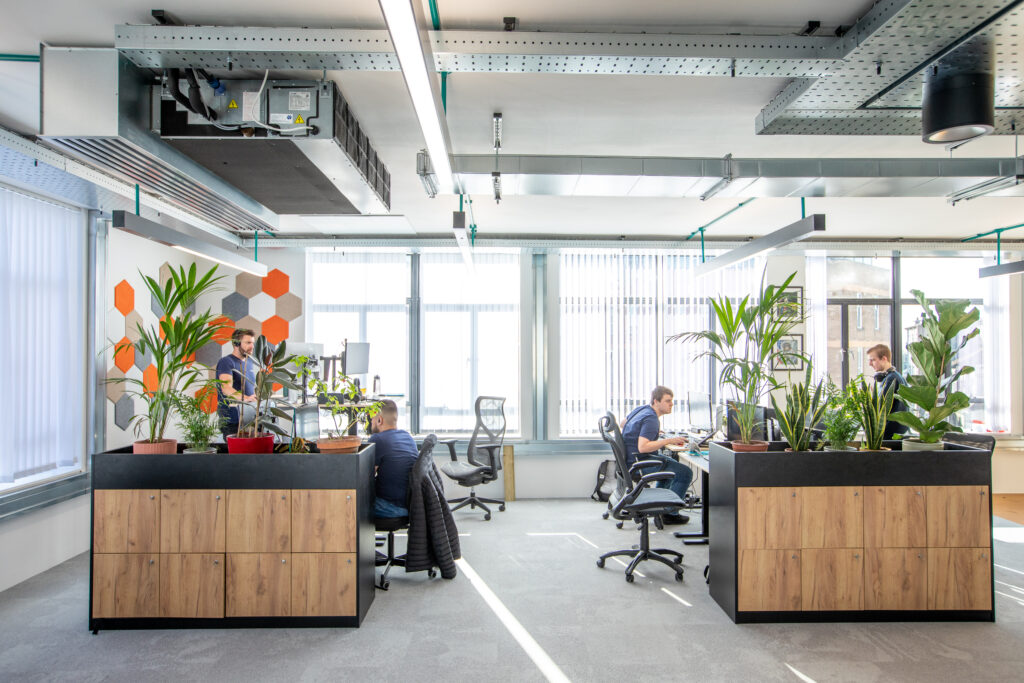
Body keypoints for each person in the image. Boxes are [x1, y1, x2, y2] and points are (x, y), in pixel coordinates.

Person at [621, 386, 692, 525]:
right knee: (685, 473)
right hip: (640, 462)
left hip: (630, 460)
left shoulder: (642, 409)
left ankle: (659, 507)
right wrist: (668, 440)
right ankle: (670, 514)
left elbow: (623, 423)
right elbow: (643, 447)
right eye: (668, 401)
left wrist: (648, 432)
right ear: (656, 401)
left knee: (671, 465)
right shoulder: (652, 419)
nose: (672, 404)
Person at [368, 399, 419, 519]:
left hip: (390, 508)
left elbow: (365, 477)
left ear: (379, 420)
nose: (370, 422)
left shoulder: (377, 439)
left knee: (348, 502)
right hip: (409, 506)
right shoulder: (407, 436)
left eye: (372, 419)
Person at [216, 328, 257, 439]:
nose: (252, 346)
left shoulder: (249, 362)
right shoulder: (226, 362)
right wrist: (247, 398)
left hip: (248, 418)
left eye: (253, 343)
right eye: (248, 343)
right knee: (235, 450)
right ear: (236, 344)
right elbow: (226, 388)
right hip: (232, 420)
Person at [866, 343, 909, 440]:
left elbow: (882, 408)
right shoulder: (894, 377)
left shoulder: (891, 379)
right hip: (894, 433)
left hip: (890, 435)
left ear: (884, 359)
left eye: (873, 360)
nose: (870, 364)